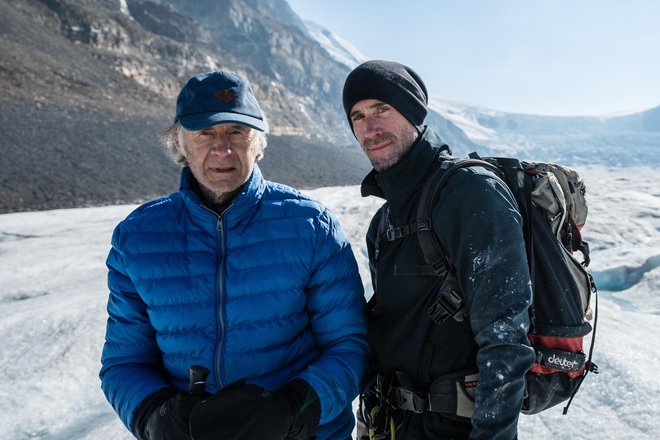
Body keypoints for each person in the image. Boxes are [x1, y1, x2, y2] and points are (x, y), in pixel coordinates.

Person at [100, 70, 370, 440]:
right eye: (205, 133)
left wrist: (291, 410)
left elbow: (350, 345)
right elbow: (124, 362)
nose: (222, 149)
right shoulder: (137, 238)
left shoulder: (310, 225)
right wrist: (155, 416)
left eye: (236, 132)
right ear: (179, 144)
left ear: (258, 142)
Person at [342, 60, 536, 439]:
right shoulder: (383, 222)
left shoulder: (469, 192)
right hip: (391, 423)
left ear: (413, 113)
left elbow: (507, 340)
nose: (370, 128)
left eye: (382, 109)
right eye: (358, 116)